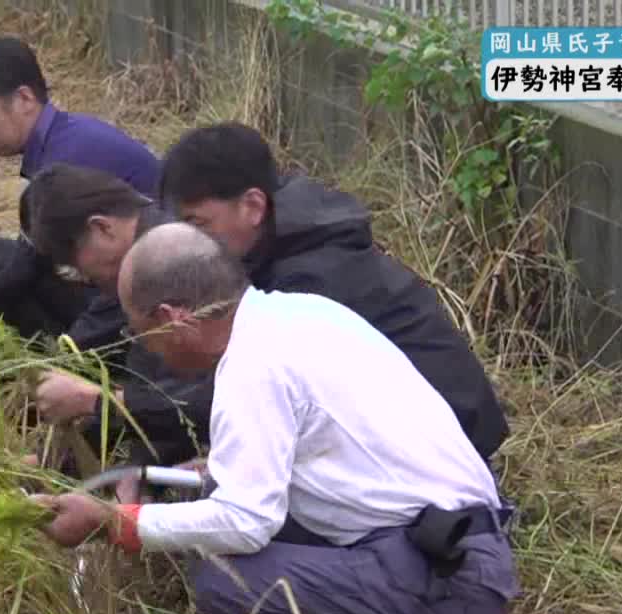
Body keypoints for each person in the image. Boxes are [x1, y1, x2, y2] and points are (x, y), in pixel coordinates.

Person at [34, 224, 520, 614]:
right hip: (463, 551)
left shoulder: (254, 366)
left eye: (140, 332)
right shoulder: (297, 313)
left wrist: (113, 522)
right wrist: (220, 467)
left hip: (450, 582)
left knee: (224, 577)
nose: (148, 350)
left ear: (170, 319)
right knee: (217, 501)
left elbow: (245, 523)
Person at [158, 122, 511, 463]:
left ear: (253, 206)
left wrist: (139, 410)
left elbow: (252, 394)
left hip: (443, 451)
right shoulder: (283, 243)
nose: (188, 241)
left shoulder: (308, 280)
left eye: (198, 224)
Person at [0, 36, 160, 348]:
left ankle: (70, 358)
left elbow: (23, 270)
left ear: (24, 99)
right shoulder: (67, 136)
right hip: (138, 286)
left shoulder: (65, 159)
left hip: (149, 301)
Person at [21, 163, 208, 470]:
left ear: (102, 228)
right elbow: (149, 385)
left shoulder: (171, 262)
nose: (83, 276)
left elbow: (191, 404)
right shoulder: (149, 251)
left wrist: (91, 401)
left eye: (74, 262)